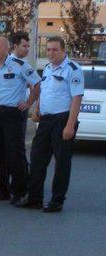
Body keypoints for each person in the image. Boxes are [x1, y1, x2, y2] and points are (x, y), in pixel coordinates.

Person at [16, 37, 84, 213]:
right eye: (48, 50)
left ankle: (57, 200)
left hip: (63, 120)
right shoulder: (46, 69)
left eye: (54, 50)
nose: (50, 53)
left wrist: (70, 125)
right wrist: (38, 108)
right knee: (37, 158)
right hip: (46, 122)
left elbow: (77, 98)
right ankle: (34, 198)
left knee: (61, 163)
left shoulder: (73, 70)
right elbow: (44, 91)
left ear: (63, 51)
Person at [0, 37, 41, 204]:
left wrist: (29, 103)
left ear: (7, 49)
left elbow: (36, 83)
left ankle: (20, 191)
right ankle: (2, 189)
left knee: (14, 153)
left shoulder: (20, 65)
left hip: (12, 114)